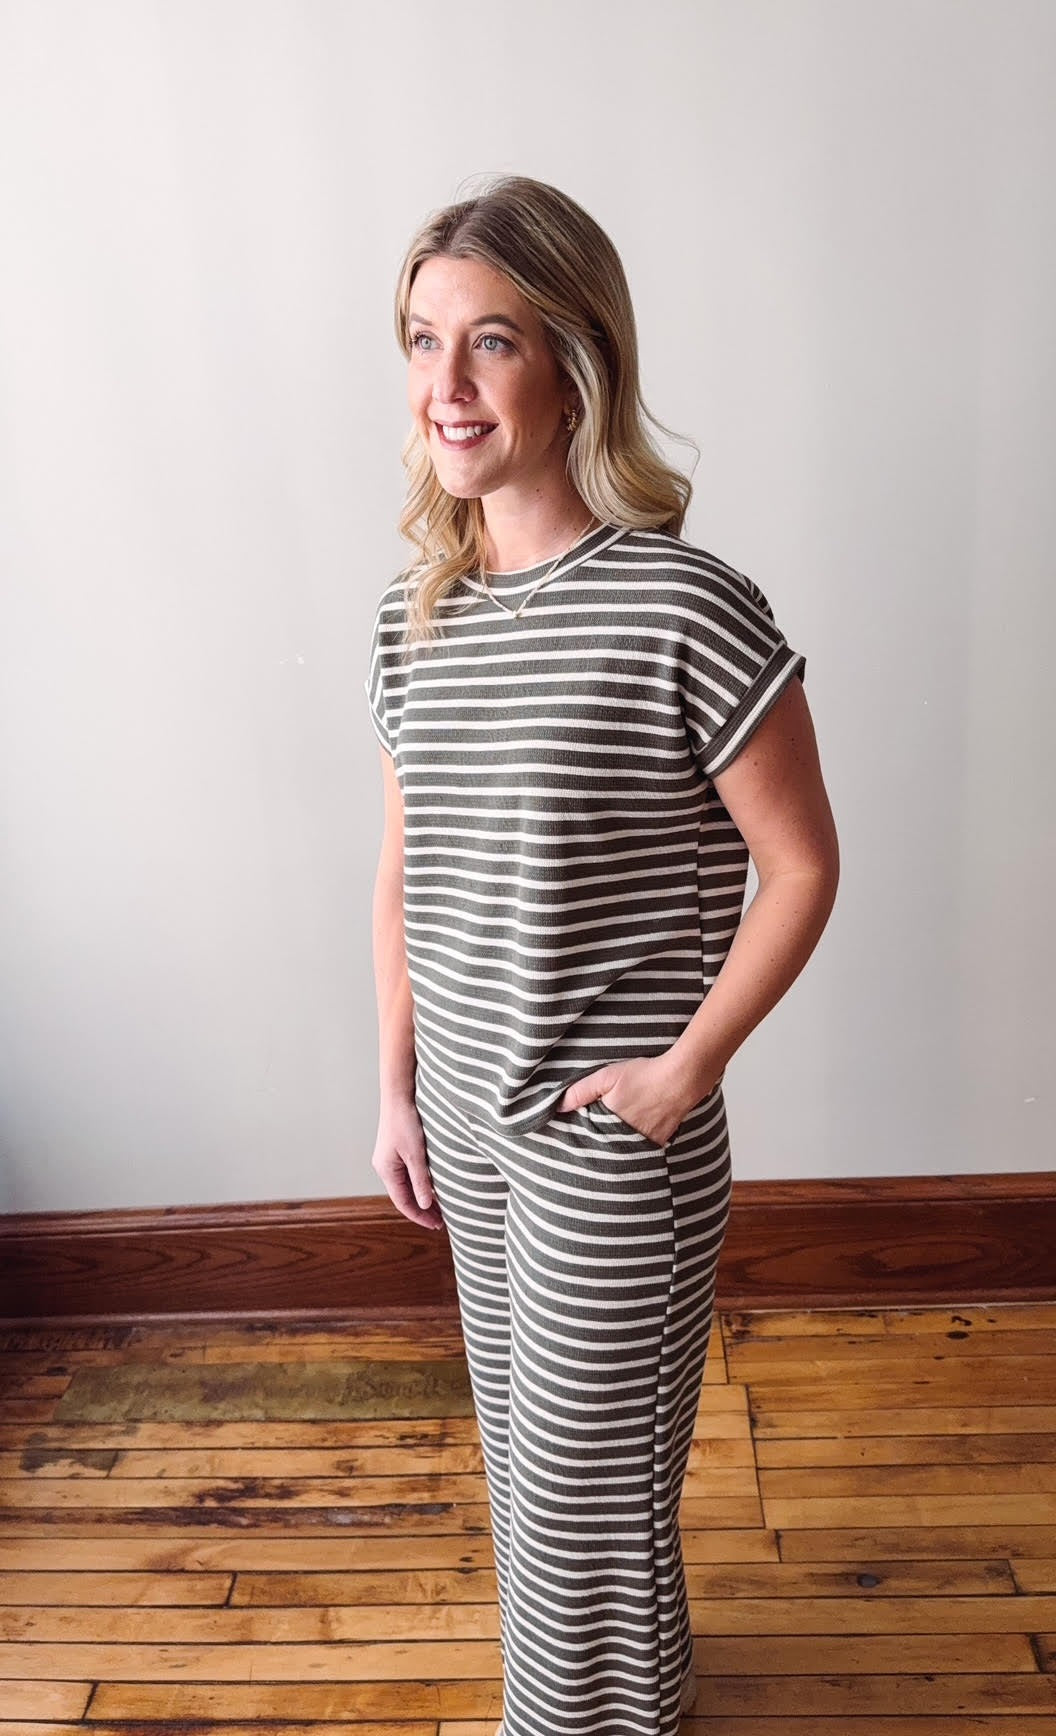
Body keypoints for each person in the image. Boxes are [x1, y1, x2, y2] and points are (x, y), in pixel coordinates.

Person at [364, 174, 839, 1736]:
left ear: (575, 361)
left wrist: (684, 1074)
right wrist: (396, 1091)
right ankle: (638, 1704)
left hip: (610, 1144)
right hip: (474, 1137)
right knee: (538, 1485)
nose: (446, 385)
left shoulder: (684, 608)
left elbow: (801, 865)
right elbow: (406, 869)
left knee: (582, 1503)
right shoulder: (416, 612)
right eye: (424, 339)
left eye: (489, 342)